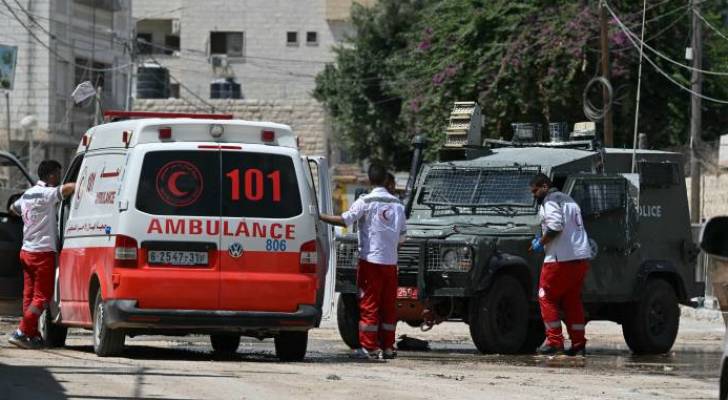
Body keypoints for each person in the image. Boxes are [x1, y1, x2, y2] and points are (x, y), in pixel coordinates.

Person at [320, 164, 406, 360]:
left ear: (369, 180)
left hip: (370, 262)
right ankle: (388, 347)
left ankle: (369, 348)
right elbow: (402, 239)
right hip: (390, 264)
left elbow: (345, 220)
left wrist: (320, 216)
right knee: (388, 306)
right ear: (386, 180)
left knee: (369, 304)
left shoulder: (365, 202)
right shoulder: (398, 205)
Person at [8, 160, 75, 349]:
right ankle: (22, 331)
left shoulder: (28, 195)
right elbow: (67, 189)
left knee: (29, 296)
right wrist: (82, 183)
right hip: (42, 253)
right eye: (58, 174)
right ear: (52, 175)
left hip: (26, 251)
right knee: (42, 297)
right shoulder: (47, 194)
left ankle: (31, 333)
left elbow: (12, 208)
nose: (60, 178)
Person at [528, 173, 591, 356]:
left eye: (535, 191)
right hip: (580, 258)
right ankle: (579, 344)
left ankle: (555, 342)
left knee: (545, 296)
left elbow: (555, 226)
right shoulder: (570, 200)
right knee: (572, 300)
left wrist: (541, 242)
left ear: (545, 187)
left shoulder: (550, 201)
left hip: (559, 259)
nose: (534, 195)